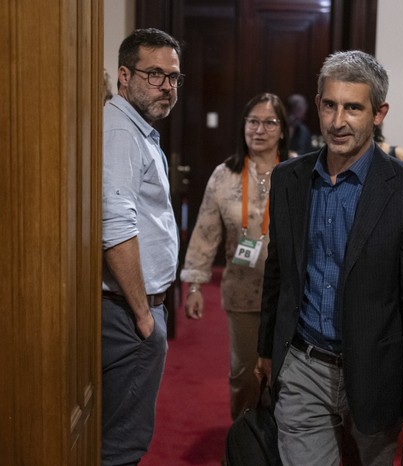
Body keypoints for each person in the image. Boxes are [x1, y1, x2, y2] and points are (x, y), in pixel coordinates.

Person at [255, 50, 403, 466]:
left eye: (353, 108)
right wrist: (268, 350)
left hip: (377, 371)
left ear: (379, 113)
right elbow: (279, 271)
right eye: (330, 105)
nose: (338, 121)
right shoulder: (289, 179)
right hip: (303, 363)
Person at [180, 93, 290, 420]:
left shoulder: (298, 172)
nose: (260, 129)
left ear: (283, 129)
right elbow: (204, 232)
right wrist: (196, 286)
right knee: (244, 375)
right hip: (242, 291)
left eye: (270, 122)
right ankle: (244, 444)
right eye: (252, 121)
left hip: (289, 297)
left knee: (286, 377)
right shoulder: (223, 175)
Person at [101, 28, 183, 465]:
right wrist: (142, 315)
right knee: (121, 448)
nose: (167, 86)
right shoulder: (119, 131)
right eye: (154, 75)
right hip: (126, 313)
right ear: (124, 76)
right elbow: (115, 227)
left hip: (135, 308)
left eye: (173, 78)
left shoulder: (137, 129)